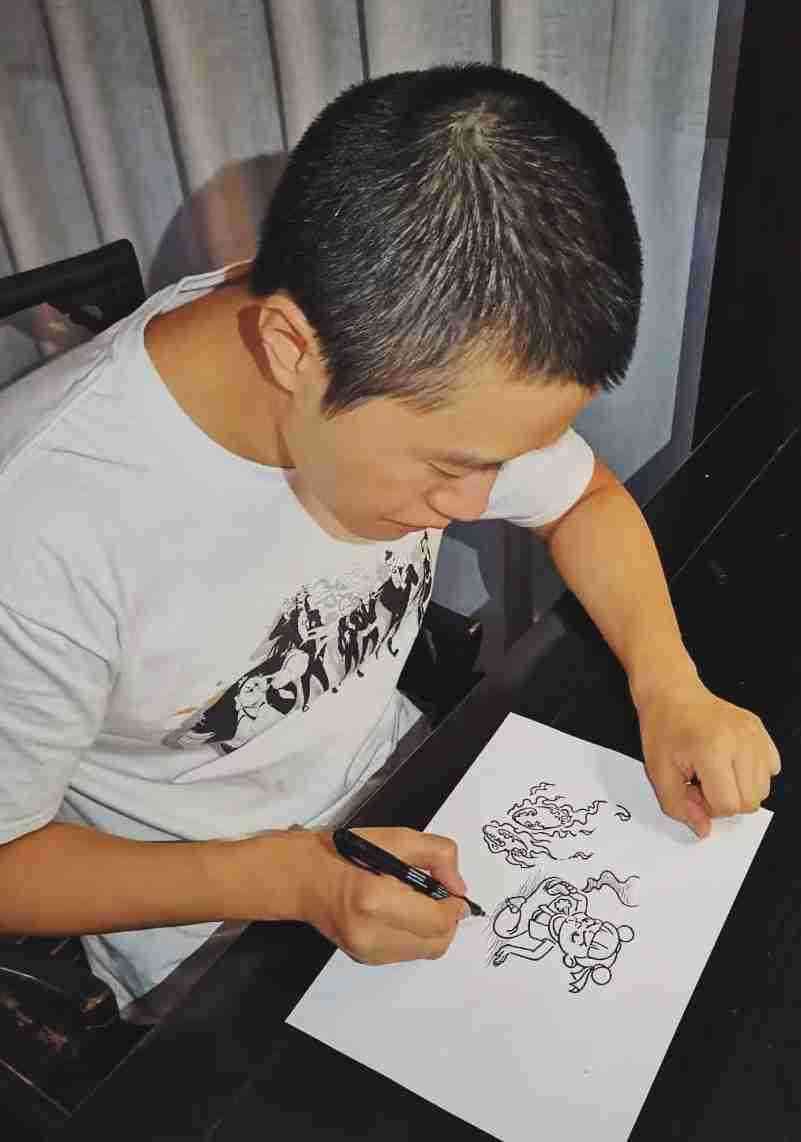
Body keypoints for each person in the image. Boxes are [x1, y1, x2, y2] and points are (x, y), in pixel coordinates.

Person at [0, 63, 779, 1016]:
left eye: (500, 462)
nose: (470, 505)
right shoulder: (41, 525)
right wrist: (293, 880)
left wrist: (670, 687)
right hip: (209, 934)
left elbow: (584, 500)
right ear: (290, 350)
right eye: (449, 467)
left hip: (411, 797)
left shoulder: (416, 354)